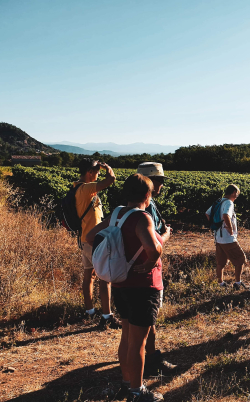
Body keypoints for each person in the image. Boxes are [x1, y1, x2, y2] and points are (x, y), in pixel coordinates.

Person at [87, 174, 166, 402]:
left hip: (120, 284)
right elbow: (153, 250)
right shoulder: (143, 218)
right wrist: (151, 262)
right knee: (138, 342)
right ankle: (137, 390)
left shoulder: (116, 214)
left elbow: (92, 236)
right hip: (143, 286)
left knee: (126, 337)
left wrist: (116, 252)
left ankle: (125, 382)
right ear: (147, 195)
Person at [136, 162, 176, 376]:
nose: (162, 185)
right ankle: (150, 362)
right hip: (147, 271)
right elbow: (155, 242)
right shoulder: (147, 208)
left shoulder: (126, 206)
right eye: (159, 180)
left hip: (132, 274)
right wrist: (167, 234)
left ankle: (142, 362)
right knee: (147, 320)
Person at [76, 158, 120, 329]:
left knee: (89, 275)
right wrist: (108, 167)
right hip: (93, 241)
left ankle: (90, 311)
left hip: (84, 240)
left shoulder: (77, 187)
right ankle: (107, 316)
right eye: (97, 172)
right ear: (90, 172)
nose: (99, 174)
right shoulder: (86, 188)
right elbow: (111, 180)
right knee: (104, 277)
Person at [205, 184, 248, 290]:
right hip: (227, 238)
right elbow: (226, 215)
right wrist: (230, 229)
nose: (237, 196)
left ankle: (220, 283)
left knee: (221, 261)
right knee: (240, 259)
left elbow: (207, 213)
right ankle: (238, 283)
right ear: (233, 192)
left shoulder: (219, 201)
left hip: (218, 237)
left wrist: (215, 225)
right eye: (237, 194)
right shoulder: (229, 202)